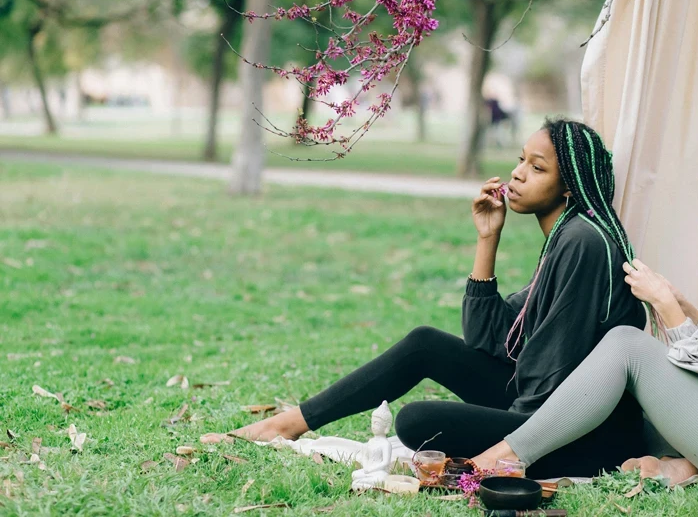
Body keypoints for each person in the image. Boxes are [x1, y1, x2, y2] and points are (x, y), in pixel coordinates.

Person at [219, 118, 648, 478]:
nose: (517, 173)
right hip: (545, 405)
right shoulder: (566, 236)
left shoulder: (583, 242)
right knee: (424, 343)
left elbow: (555, 364)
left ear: (569, 186)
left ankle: (287, 424)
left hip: (578, 434)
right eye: (520, 160)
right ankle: (288, 423)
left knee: (416, 421)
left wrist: (509, 442)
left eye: (537, 168)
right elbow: (487, 337)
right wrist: (487, 239)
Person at [472, 152, 698, 490]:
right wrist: (688, 308)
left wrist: (667, 306)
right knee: (628, 399)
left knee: (627, 346)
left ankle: (507, 455)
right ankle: (687, 466)